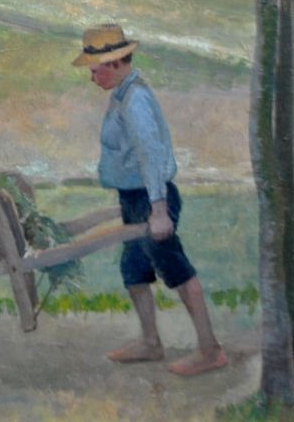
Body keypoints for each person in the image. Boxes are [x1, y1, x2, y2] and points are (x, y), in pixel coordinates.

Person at [72, 23, 227, 376]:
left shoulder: (136, 100)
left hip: (151, 197)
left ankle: (210, 349)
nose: (92, 77)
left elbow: (150, 155)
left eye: (95, 70)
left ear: (115, 63)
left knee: (175, 268)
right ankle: (150, 342)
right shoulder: (122, 95)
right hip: (135, 197)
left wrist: (158, 210)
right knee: (134, 270)